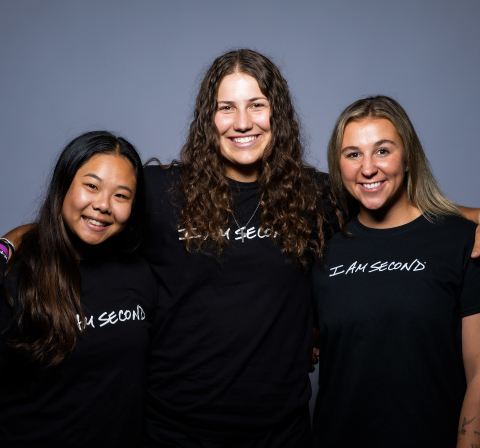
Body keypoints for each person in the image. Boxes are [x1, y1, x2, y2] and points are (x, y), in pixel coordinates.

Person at [141, 49, 342, 447]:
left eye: (256, 105)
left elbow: (394, 205)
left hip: (281, 432)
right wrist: (9, 245)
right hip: (175, 431)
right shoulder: (160, 192)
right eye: (226, 108)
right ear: (208, 120)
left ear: (277, 115)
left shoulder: (315, 195)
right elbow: (72, 220)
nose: (243, 123)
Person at [312, 96, 480, 448]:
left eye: (383, 150)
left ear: (408, 159)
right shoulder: (323, 251)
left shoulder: (461, 242)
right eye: (353, 154)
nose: (368, 168)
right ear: (338, 164)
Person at [0, 131, 157, 447]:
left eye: (121, 195)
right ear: (64, 185)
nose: (103, 205)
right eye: (92, 186)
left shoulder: (141, 272)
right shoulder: (16, 276)